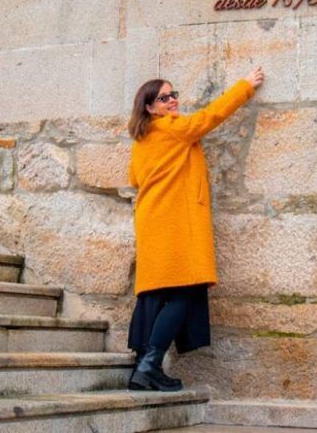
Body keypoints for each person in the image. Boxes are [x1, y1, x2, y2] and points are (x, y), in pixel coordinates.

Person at [126, 66, 265, 391]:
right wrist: (245, 86)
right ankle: (148, 367)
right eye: (164, 97)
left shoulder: (141, 140)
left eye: (174, 95)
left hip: (153, 222)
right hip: (174, 223)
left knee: (164, 296)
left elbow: (134, 179)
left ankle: (146, 365)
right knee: (183, 294)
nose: (172, 101)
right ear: (149, 107)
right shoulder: (173, 128)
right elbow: (210, 116)